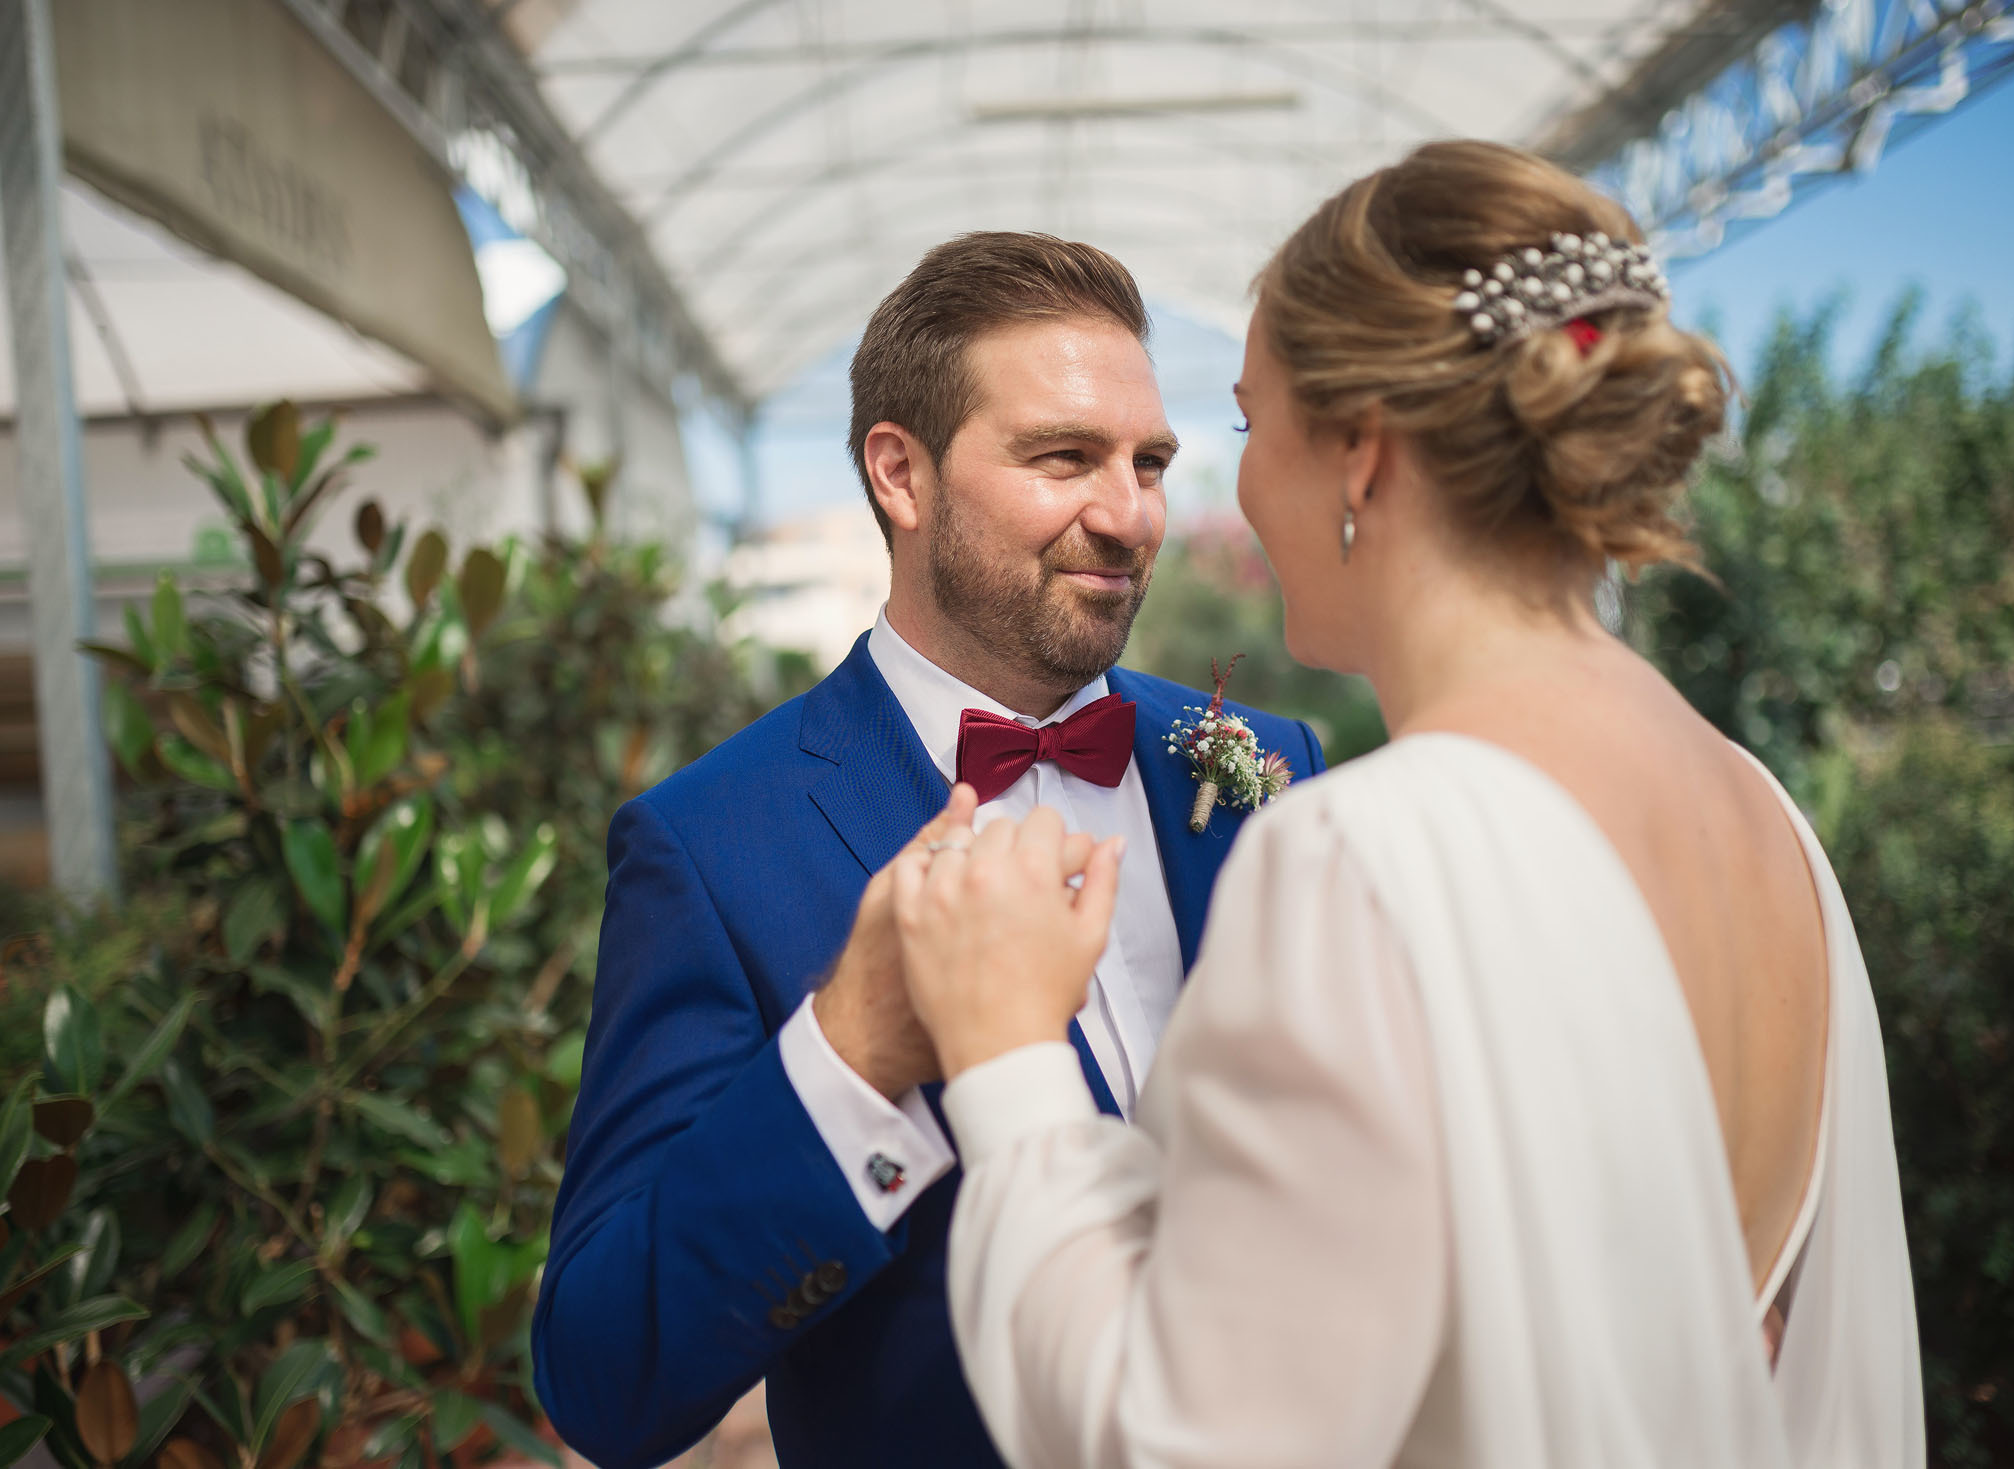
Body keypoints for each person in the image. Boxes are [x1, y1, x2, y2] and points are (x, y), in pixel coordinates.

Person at [891, 141, 1926, 1467]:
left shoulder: (1367, 861)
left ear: (1363, 455)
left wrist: (1005, 1059)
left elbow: (1181, 1442)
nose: (1210, 497)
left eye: (1253, 426)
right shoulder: (1765, 816)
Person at [531, 232, 1325, 1469]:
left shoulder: (1266, 764)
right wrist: (845, 1062)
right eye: (1064, 456)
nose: (1128, 516)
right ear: (901, 474)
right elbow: (601, 1374)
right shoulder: (709, 843)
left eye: (1150, 462)